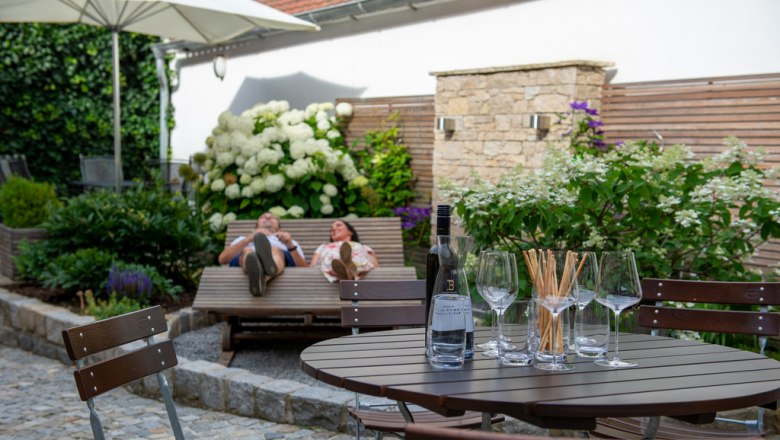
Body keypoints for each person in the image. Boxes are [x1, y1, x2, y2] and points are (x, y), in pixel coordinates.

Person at [218, 212, 306, 296]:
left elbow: (304, 269)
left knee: (275, 250)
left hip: (279, 256)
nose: (268, 217)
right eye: (263, 217)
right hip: (246, 256)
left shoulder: (289, 242)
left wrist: (289, 245)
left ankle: (261, 276)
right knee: (247, 251)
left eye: (273, 218)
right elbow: (222, 259)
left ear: (279, 228)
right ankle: (263, 276)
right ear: (256, 226)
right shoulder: (243, 239)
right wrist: (249, 239)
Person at [309, 219, 379, 282]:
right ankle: (345, 268)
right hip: (331, 269)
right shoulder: (323, 247)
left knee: (358, 251)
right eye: (331, 229)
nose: (334, 229)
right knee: (330, 255)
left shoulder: (364, 247)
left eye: (338, 225)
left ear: (350, 232)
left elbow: (375, 266)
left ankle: (346, 267)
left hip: (358, 268)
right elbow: (312, 266)